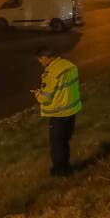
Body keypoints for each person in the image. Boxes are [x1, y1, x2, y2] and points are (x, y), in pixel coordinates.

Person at [31, 46, 82, 176]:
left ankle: (60, 171)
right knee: (64, 141)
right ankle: (67, 167)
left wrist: (37, 93)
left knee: (56, 144)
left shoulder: (52, 72)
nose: (40, 63)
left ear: (46, 57)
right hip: (72, 109)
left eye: (40, 60)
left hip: (59, 113)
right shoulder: (68, 65)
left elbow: (45, 98)